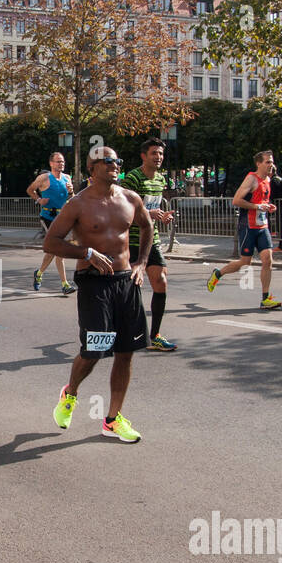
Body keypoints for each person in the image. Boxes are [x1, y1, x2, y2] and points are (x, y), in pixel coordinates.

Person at [45, 146, 151, 443]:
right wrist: (86, 252)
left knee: (126, 352)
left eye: (117, 160)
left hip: (125, 280)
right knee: (94, 351)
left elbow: (147, 226)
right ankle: (70, 393)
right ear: (92, 169)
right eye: (107, 161)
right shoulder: (77, 204)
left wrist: (142, 262)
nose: (115, 164)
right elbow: (51, 243)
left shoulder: (130, 199)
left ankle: (113, 419)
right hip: (94, 282)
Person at [206, 151, 282, 309]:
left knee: (268, 260)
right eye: (267, 162)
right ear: (258, 164)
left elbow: (262, 201)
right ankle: (218, 274)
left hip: (262, 226)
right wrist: (257, 206)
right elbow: (236, 200)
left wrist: (267, 207)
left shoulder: (268, 179)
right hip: (248, 226)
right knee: (244, 262)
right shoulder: (251, 179)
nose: (271, 165)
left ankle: (265, 298)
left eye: (272, 162)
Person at [120, 138, 178, 351]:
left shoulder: (160, 180)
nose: (159, 157)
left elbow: (152, 210)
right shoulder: (133, 178)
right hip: (130, 240)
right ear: (144, 156)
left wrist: (160, 217)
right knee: (131, 289)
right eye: (154, 153)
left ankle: (155, 335)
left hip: (151, 239)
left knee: (161, 281)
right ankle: (124, 329)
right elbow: (122, 210)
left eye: (161, 154)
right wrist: (147, 213)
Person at [28, 152, 76, 295]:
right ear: (51, 163)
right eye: (58, 161)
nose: (61, 164)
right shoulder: (44, 178)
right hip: (48, 217)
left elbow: (72, 198)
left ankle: (39, 273)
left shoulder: (67, 178)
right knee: (58, 249)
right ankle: (65, 284)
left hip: (62, 217)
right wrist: (39, 200)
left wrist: (71, 192)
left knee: (52, 251)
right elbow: (30, 190)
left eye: (62, 162)